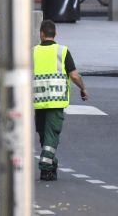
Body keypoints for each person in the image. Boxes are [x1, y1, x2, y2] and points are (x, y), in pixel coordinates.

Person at [33, 20, 89, 181]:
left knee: (44, 134)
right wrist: (83, 88)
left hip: (38, 101)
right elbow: (74, 75)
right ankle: (47, 166)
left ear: (41, 34)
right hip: (56, 101)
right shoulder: (62, 51)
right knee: (50, 135)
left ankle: (48, 165)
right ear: (55, 34)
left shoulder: (33, 52)